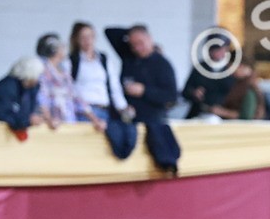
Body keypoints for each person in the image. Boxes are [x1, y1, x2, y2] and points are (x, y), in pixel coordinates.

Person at [106, 25, 181, 175]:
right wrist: (132, 34)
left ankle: (168, 164)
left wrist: (144, 91)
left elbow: (171, 96)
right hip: (126, 114)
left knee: (158, 132)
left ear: (150, 39)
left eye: (140, 43)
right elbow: (110, 32)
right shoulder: (128, 56)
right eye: (133, 44)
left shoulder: (162, 64)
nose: (137, 48)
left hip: (150, 115)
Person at [35, 33, 104, 131]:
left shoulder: (64, 71)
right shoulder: (43, 70)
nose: (64, 49)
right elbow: (42, 97)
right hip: (52, 125)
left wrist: (94, 119)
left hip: (68, 122)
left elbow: (76, 97)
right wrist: (49, 118)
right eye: (61, 46)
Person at [68, 22, 129, 123]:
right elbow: (71, 89)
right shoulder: (71, 61)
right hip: (84, 111)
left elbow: (114, 85)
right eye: (83, 37)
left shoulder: (103, 59)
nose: (87, 41)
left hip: (104, 108)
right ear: (76, 40)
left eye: (90, 36)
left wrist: (122, 107)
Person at [0, 56, 44, 140]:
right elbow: (2, 113)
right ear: (30, 75)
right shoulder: (6, 88)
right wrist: (27, 120)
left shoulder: (30, 89)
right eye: (37, 76)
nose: (38, 80)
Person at [183, 33, 237, 119]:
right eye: (216, 50)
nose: (219, 52)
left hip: (224, 116)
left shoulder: (233, 70)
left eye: (222, 49)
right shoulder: (200, 68)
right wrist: (193, 93)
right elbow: (185, 91)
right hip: (199, 113)